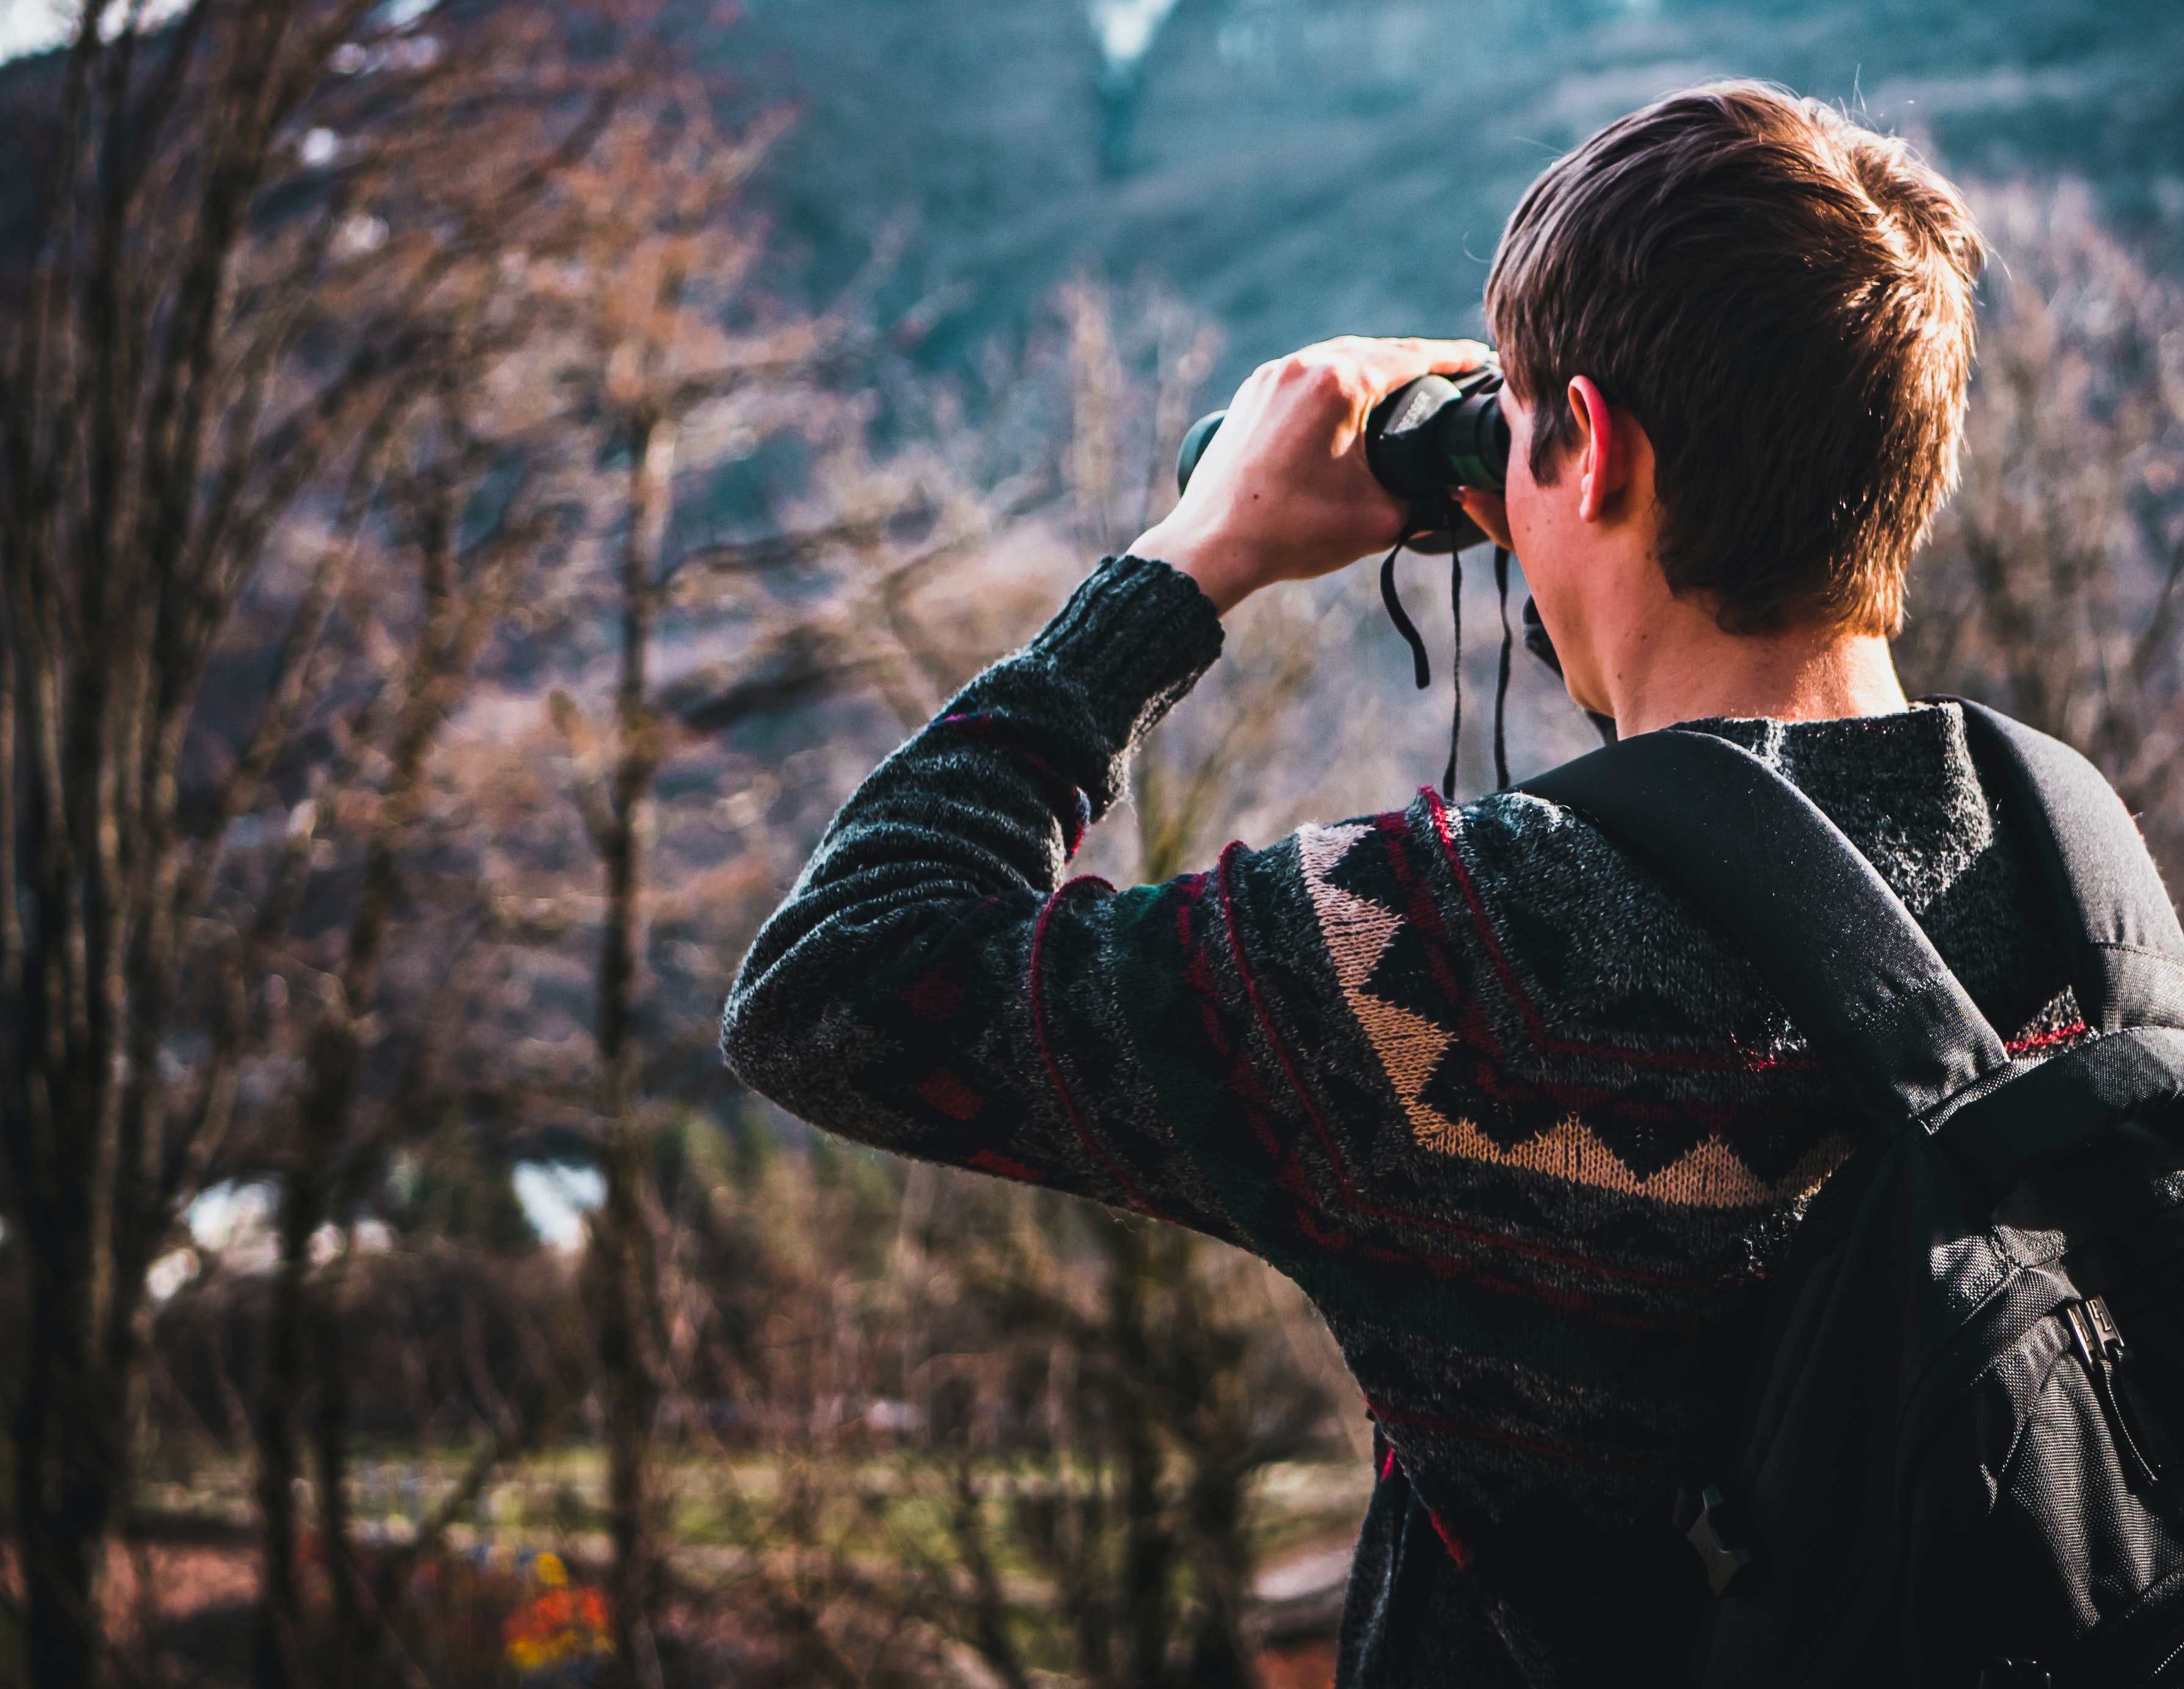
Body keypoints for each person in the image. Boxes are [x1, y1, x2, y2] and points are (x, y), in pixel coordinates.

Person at [722, 81, 2080, 1688]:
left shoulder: (1460, 977)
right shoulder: (2071, 883)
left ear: (1590, 449)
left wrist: (1190, 557)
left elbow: (839, 983)